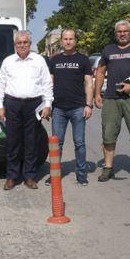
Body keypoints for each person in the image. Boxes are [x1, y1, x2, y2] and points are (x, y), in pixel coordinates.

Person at [94, 20, 130, 184]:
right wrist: (97, 93)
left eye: (125, 31)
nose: (122, 34)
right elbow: (100, 72)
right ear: (115, 34)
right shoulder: (108, 50)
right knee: (108, 134)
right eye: (119, 31)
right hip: (111, 98)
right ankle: (108, 168)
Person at [0, 30, 53, 190]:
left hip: (34, 105)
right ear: (15, 45)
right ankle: (12, 177)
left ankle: (29, 176)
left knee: (31, 141)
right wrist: (0, 105)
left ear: (30, 43)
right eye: (19, 43)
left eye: (25, 42)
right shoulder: (8, 61)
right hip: (12, 104)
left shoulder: (39, 60)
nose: (22, 45)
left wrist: (47, 104)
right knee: (13, 142)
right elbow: (0, 84)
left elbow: (47, 83)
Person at [49, 28, 93, 186]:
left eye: (71, 39)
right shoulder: (54, 60)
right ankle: (54, 175)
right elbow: (50, 83)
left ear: (75, 41)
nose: (68, 41)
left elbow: (88, 83)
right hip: (58, 108)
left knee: (79, 143)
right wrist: (48, 105)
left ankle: (81, 175)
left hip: (78, 108)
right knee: (56, 144)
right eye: (65, 39)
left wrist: (88, 104)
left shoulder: (83, 60)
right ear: (61, 41)